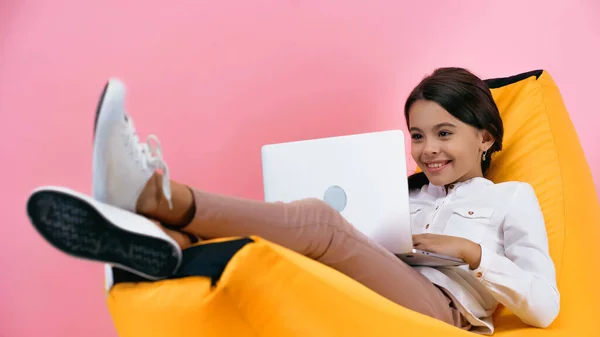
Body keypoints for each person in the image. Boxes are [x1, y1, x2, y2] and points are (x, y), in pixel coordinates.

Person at [26, 67, 559, 334]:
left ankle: (157, 197)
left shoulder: (512, 197)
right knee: (279, 243)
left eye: (445, 133)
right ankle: (163, 244)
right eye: (417, 136)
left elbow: (547, 304)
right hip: (371, 283)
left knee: (318, 222)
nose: (427, 150)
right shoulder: (395, 190)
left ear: (485, 137)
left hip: (442, 313)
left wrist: (471, 254)